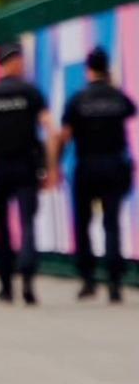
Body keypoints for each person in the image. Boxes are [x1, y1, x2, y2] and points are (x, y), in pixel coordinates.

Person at [0, 40, 55, 305]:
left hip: (0, 166)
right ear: (17, 61)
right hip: (26, 165)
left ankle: (6, 286)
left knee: (3, 228)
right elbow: (50, 131)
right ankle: (28, 279)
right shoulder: (31, 92)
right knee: (28, 223)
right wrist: (52, 167)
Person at [54, 45, 136, 303]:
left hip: (86, 166)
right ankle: (114, 282)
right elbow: (130, 110)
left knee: (84, 223)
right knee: (111, 223)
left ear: (88, 68)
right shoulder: (117, 96)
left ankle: (88, 279)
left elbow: (64, 136)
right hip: (114, 164)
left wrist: (54, 164)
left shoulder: (78, 100)